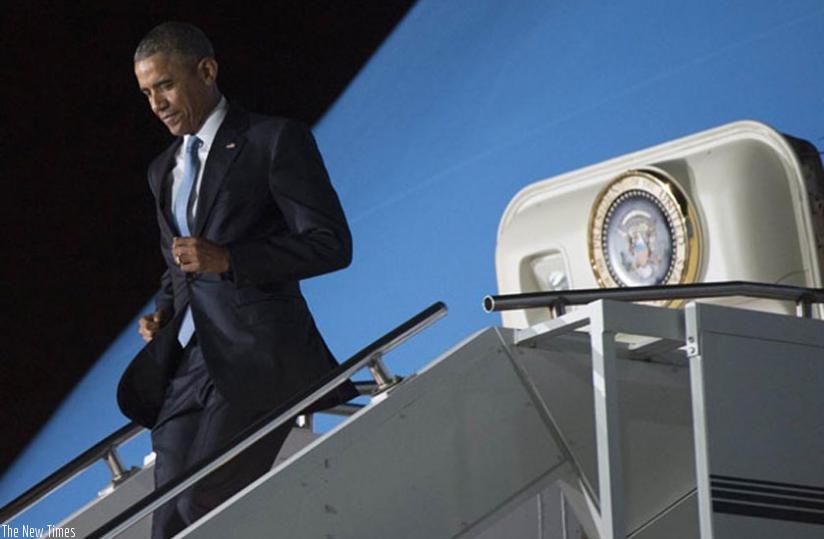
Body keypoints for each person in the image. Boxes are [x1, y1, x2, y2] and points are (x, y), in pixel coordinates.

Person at [116, 21, 358, 538]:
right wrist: (164, 311)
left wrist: (230, 260)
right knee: (166, 521)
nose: (156, 103)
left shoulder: (272, 140)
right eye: (146, 93)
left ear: (206, 71)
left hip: (255, 358)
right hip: (186, 366)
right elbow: (178, 263)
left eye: (165, 85)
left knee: (203, 506)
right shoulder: (163, 170)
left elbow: (331, 244)